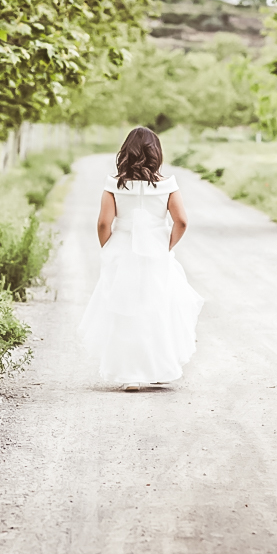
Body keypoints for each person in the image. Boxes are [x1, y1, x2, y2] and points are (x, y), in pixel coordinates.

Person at [78, 126, 203, 391]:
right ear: (156, 153)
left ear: (126, 152)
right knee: (158, 308)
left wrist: (108, 248)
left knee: (125, 309)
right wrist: (167, 246)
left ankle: (130, 374)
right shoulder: (168, 185)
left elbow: (103, 223)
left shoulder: (113, 185)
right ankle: (160, 370)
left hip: (122, 252)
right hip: (157, 253)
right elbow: (181, 221)